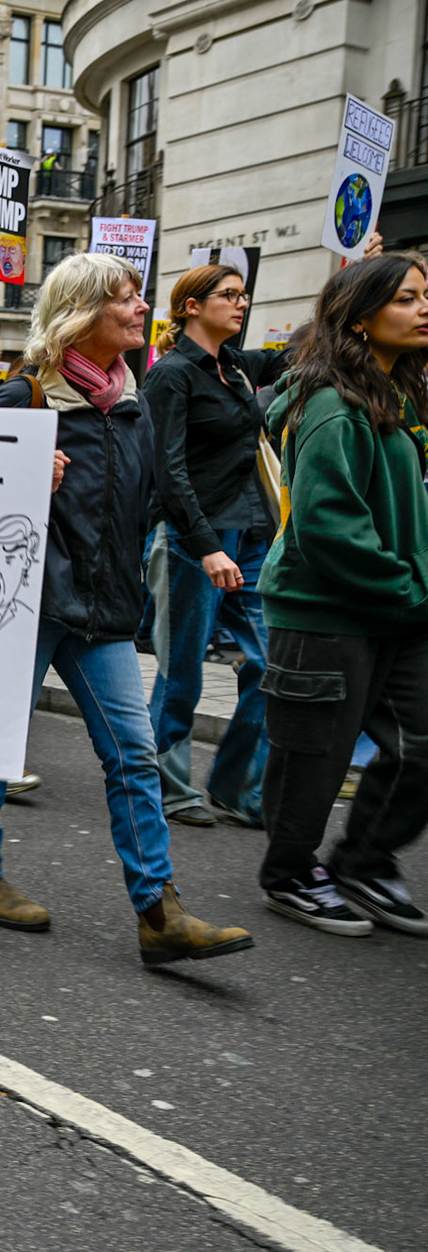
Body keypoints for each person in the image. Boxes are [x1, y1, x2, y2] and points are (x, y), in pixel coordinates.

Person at [0, 252, 253, 966]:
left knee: (135, 756)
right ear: (83, 311)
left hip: (108, 610)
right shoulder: (23, 399)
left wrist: (204, 545)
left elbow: (167, 487)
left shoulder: (134, 399)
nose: (140, 309)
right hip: (29, 608)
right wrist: (19, 480)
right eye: (125, 299)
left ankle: (159, 911)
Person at [257, 251, 428, 937]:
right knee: (315, 756)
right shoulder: (329, 403)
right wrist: (409, 586)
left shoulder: (403, 396)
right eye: (409, 299)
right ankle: (290, 872)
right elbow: (328, 524)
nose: (425, 309)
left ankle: (363, 858)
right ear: (360, 318)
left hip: (400, 610)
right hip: (329, 610)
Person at [144, 264, 272, 829]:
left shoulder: (238, 368)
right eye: (228, 295)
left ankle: (236, 785)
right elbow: (167, 470)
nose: (240, 305)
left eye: (244, 296)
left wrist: (357, 274)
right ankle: (165, 786)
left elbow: (312, 349)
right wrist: (203, 545)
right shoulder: (171, 375)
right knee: (183, 669)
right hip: (193, 539)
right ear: (191, 306)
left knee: (272, 666)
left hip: (249, 535)